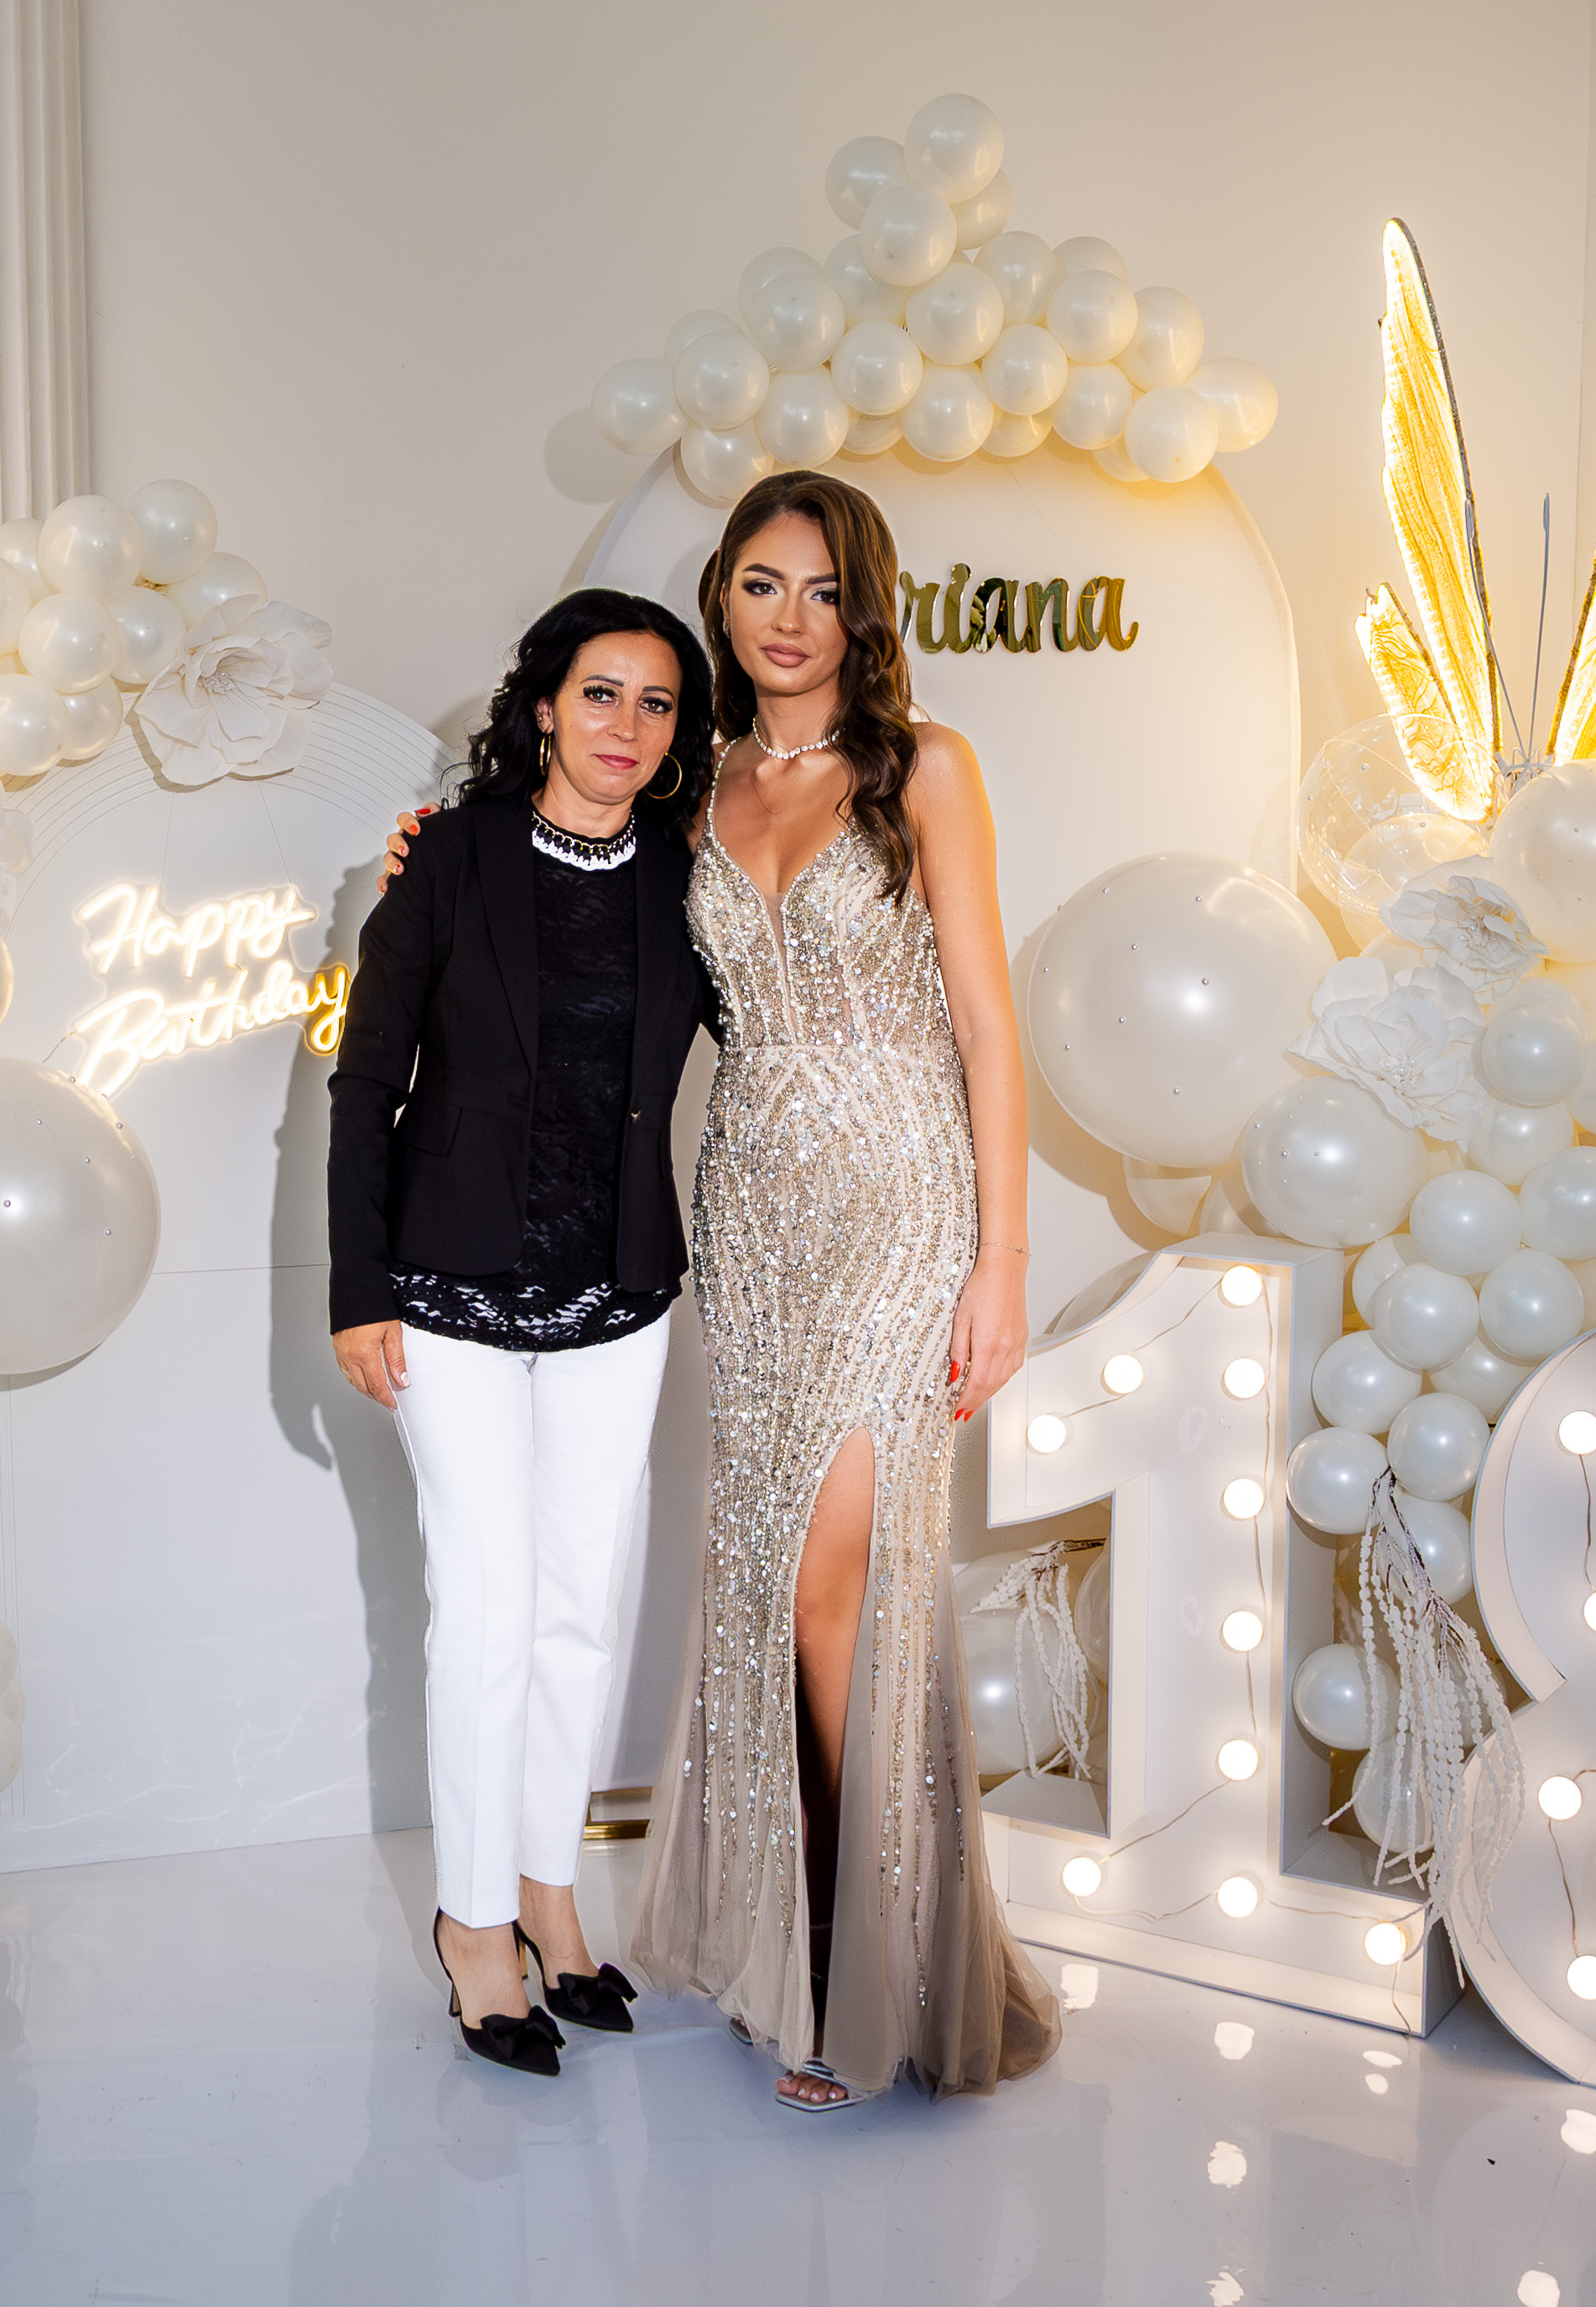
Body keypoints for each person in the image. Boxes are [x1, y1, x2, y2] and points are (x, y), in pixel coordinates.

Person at [637, 471, 1058, 2108]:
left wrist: (1000, 1260)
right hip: (750, 1219)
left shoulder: (924, 768)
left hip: (901, 1207)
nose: (788, 618)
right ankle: (793, 1944)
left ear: (862, 609)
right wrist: (425, 853)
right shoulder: (696, 782)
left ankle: (856, 1964)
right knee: (764, 1579)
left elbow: (986, 1025)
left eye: (822, 589)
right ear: (722, 597)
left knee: (845, 1581)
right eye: (761, 583)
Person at [327, 589, 716, 2076]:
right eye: (600, 692)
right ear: (544, 705)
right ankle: (474, 1921)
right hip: (449, 1292)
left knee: (578, 1609)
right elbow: (366, 1082)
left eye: (657, 702)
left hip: (618, 1291)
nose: (627, 724)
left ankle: (551, 1888)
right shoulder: (449, 855)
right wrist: (358, 1285)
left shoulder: (685, 878)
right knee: (484, 1608)